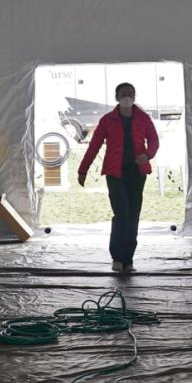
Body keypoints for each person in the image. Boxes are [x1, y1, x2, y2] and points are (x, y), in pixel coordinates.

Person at [77, 82, 159, 273]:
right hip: (115, 173)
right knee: (121, 214)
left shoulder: (143, 118)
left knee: (133, 215)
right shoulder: (107, 120)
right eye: (123, 94)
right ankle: (117, 258)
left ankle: (128, 259)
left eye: (130, 94)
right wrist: (83, 170)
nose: (127, 97)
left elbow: (154, 140)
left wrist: (147, 155)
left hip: (137, 173)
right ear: (116, 97)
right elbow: (94, 146)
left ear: (135, 96)